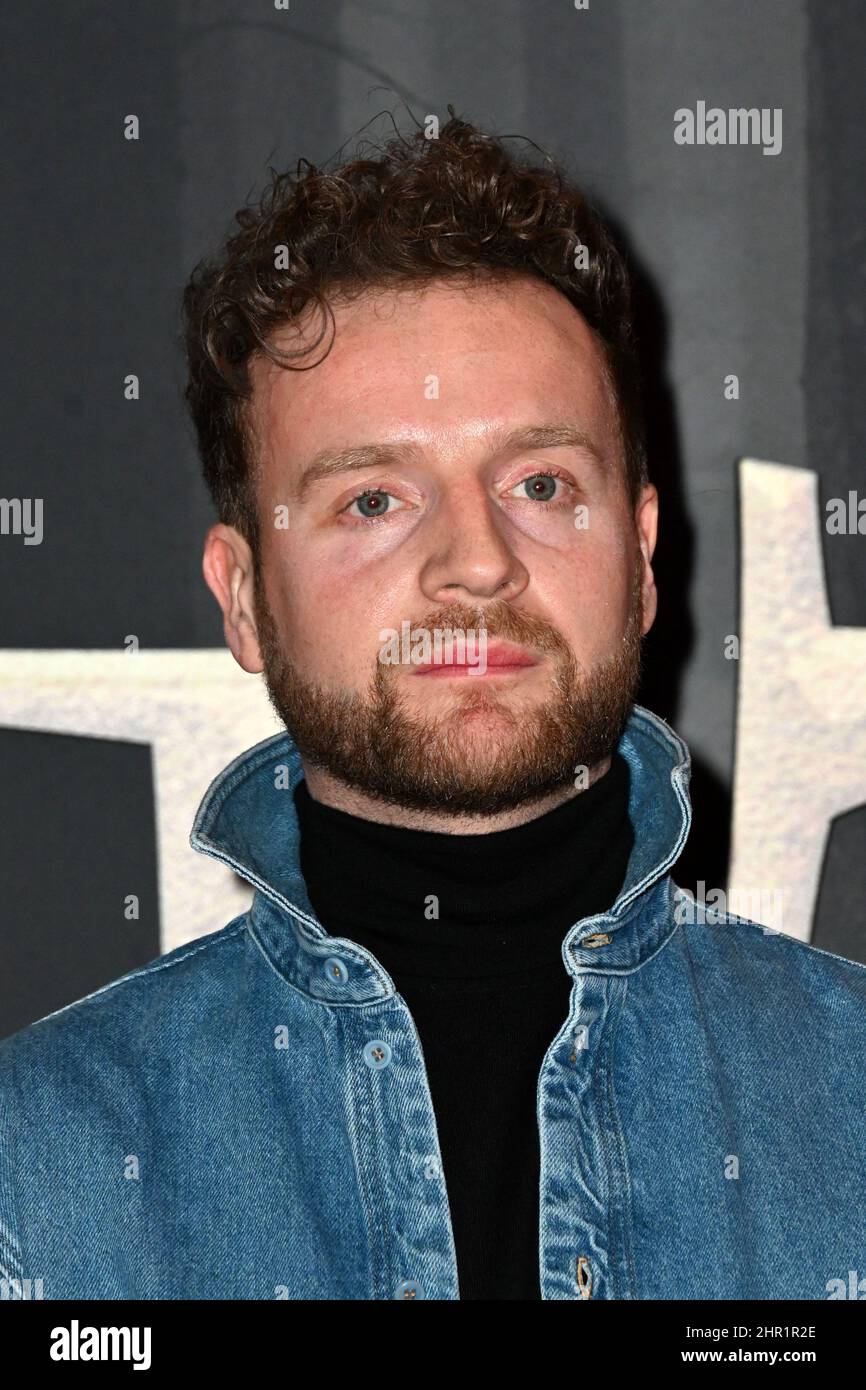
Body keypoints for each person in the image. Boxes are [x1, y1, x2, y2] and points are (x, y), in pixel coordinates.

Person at [1, 115, 863, 1302]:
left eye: (539, 483)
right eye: (371, 500)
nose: (475, 561)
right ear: (245, 596)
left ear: (644, 553)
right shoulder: (36, 1171)